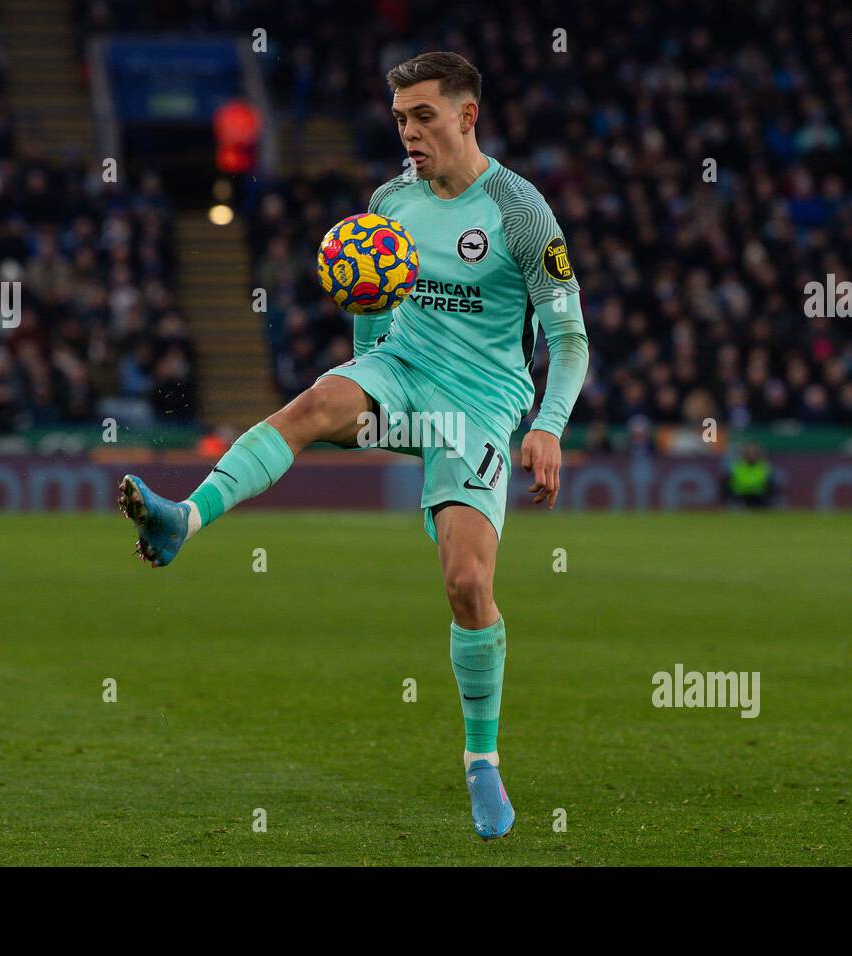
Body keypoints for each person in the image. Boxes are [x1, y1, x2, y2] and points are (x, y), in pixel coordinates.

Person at [117, 51, 589, 841]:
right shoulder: (389, 201)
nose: (408, 132)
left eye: (424, 116)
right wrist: (363, 373)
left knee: (468, 584)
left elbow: (569, 338)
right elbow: (374, 320)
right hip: (401, 373)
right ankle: (182, 520)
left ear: (468, 116)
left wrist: (547, 425)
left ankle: (482, 762)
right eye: (401, 118)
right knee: (316, 401)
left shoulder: (520, 211)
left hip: (477, 408)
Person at [724, 442, 778, 508]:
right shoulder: (737, 465)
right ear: (744, 454)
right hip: (740, 495)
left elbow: (769, 484)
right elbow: (728, 482)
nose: (751, 455)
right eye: (749, 453)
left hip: (759, 496)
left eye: (754, 453)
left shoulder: (764, 466)